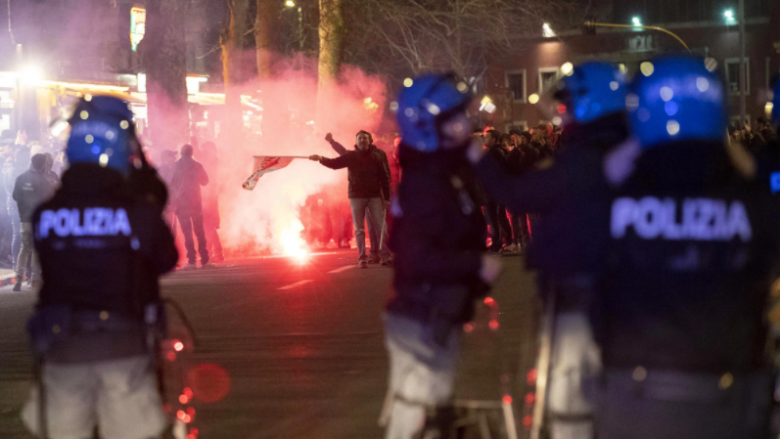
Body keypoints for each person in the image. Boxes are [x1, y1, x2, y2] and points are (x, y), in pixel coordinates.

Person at [593, 56, 780, 439]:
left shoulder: (613, 200)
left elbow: (571, 256)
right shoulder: (752, 203)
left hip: (633, 396)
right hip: (730, 399)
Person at [469, 61, 629, 439]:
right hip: (634, 296)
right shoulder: (634, 149)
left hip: (579, 292)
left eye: (568, 103)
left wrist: (478, 158)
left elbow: (517, 194)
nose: (562, 111)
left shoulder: (584, 157)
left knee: (567, 398)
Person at [21, 95, 178, 439]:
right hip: (124, 344)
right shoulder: (136, 212)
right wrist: (143, 171)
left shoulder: (46, 214)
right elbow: (167, 258)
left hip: (61, 347)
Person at [381, 73, 502, 439]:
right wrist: (475, 265)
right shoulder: (425, 184)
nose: (465, 123)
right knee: (416, 418)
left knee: (434, 415)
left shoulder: (445, 172)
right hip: (421, 317)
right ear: (427, 126)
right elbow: (414, 258)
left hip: (439, 312)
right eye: (454, 118)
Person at [309, 130, 392, 268]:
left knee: (380, 226)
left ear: (371, 141)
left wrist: (386, 197)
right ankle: (367, 257)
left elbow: (385, 176)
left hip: (375, 196)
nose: (362, 141)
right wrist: (324, 154)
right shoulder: (352, 156)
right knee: (364, 228)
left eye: (365, 139)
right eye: (360, 139)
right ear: (357, 142)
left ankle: (383, 255)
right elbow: (337, 160)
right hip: (357, 197)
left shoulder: (379, 155)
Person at [11, 153, 52, 291]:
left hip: (24, 220)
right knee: (35, 249)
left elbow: (15, 196)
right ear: (42, 165)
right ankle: (35, 279)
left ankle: (18, 278)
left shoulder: (21, 178)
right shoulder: (43, 181)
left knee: (24, 248)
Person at [169, 144, 213, 269]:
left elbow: (170, 184)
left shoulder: (176, 166)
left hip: (182, 205)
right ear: (191, 153)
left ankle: (192, 261)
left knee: (187, 233)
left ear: (182, 153)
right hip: (196, 203)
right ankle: (205, 260)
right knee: (200, 232)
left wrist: (174, 202)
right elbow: (205, 182)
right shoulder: (197, 165)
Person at [482, 129, 512, 253]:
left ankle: (500, 243)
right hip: (492, 189)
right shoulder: (493, 152)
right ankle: (502, 241)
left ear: (494, 139)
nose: (485, 139)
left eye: (487, 137)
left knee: (496, 217)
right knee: (496, 216)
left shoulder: (496, 153)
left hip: (494, 190)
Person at [4, 146, 30, 267]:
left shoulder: (22, 168)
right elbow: (14, 190)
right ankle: (16, 262)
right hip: (16, 207)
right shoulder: (12, 170)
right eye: (25, 156)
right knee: (18, 234)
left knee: (24, 234)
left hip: (24, 206)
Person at [200, 141, 224, 262]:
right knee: (208, 226)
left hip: (208, 197)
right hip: (208, 197)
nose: (203, 152)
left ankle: (215, 252)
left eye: (205, 149)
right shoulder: (213, 160)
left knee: (209, 226)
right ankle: (212, 252)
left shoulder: (212, 162)